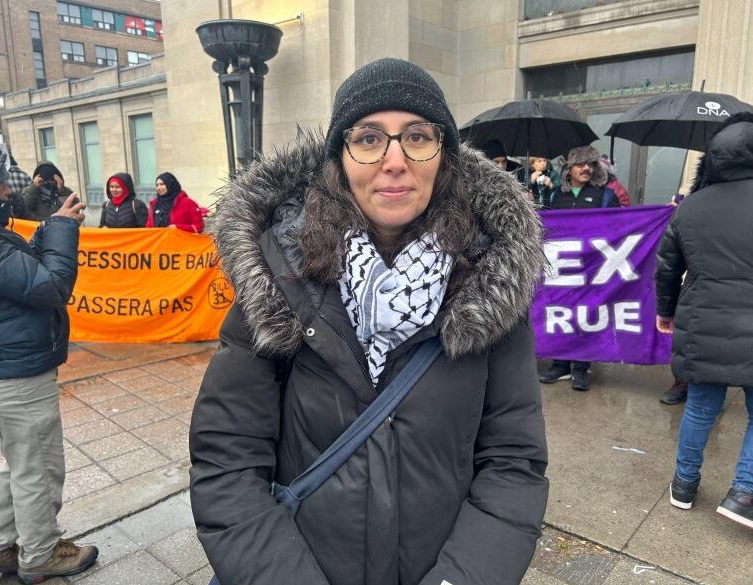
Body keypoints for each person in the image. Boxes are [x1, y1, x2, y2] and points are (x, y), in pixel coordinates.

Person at [190, 58, 549, 585]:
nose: (395, 160)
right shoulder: (278, 281)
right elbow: (227, 461)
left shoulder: (490, 288)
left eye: (418, 136)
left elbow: (513, 464)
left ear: (443, 156)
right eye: (369, 138)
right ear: (340, 158)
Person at [0, 137, 99, 583]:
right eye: (0, 183)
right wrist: (64, 231)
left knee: (20, 463)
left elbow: (24, 272)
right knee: (41, 467)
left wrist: (50, 227)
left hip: (5, 375)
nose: (8, 190)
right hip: (14, 377)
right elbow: (50, 286)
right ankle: (41, 554)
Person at [655, 112, 753, 529]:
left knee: (700, 406)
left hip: (701, 319)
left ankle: (683, 485)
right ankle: (743, 493)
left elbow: (666, 267)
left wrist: (665, 311)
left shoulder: (690, 206)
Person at [539, 145, 620, 391]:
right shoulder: (556, 196)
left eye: (590, 164)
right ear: (569, 168)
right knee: (561, 314)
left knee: (587, 315)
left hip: (593, 269)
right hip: (562, 269)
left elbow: (620, 229)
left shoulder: (605, 196)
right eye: (580, 164)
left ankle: (582, 367)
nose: (586, 168)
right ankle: (560, 363)